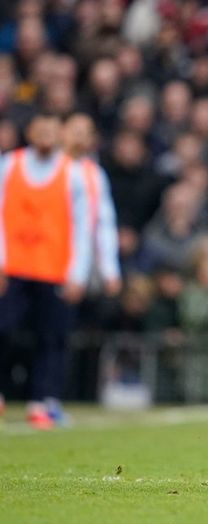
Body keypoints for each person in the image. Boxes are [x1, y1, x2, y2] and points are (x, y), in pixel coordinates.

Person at [0, 113, 93, 429]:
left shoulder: (72, 174)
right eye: (40, 128)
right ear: (29, 130)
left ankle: (41, 401)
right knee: (3, 330)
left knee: (51, 338)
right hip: (12, 267)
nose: (46, 135)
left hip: (54, 269)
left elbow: (82, 227)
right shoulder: (8, 165)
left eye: (52, 130)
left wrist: (77, 274)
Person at [62, 113, 122, 298]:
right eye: (75, 131)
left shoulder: (94, 175)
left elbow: (103, 223)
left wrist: (110, 270)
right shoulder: (48, 168)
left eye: (85, 133)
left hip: (79, 262)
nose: (78, 137)